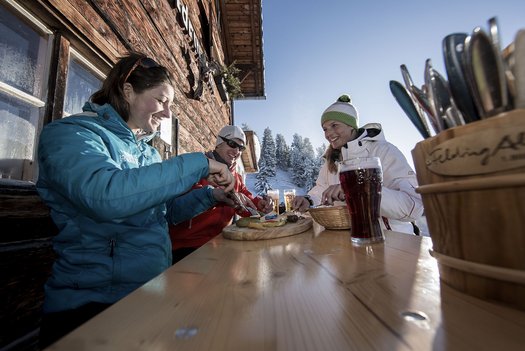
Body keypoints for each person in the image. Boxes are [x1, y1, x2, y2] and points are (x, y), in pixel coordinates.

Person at [36, 52, 236, 348]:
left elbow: (162, 214)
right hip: (93, 306)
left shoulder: (148, 153)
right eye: (161, 100)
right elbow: (106, 196)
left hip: (149, 293)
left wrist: (211, 196)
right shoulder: (71, 134)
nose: (168, 113)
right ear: (128, 91)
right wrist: (200, 164)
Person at [293, 94, 424, 234]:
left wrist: (358, 189)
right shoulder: (331, 161)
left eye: (334, 125)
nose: (328, 133)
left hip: (393, 241)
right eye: (325, 129)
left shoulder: (383, 151)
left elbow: (414, 206)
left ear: (351, 126)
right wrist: (309, 200)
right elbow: (322, 190)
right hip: (347, 243)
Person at [169, 125, 273, 263]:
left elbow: (245, 201)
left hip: (221, 242)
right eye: (232, 144)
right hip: (188, 245)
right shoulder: (198, 166)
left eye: (241, 148)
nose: (236, 151)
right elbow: (176, 207)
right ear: (219, 143)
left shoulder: (236, 177)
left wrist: (259, 204)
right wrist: (213, 196)